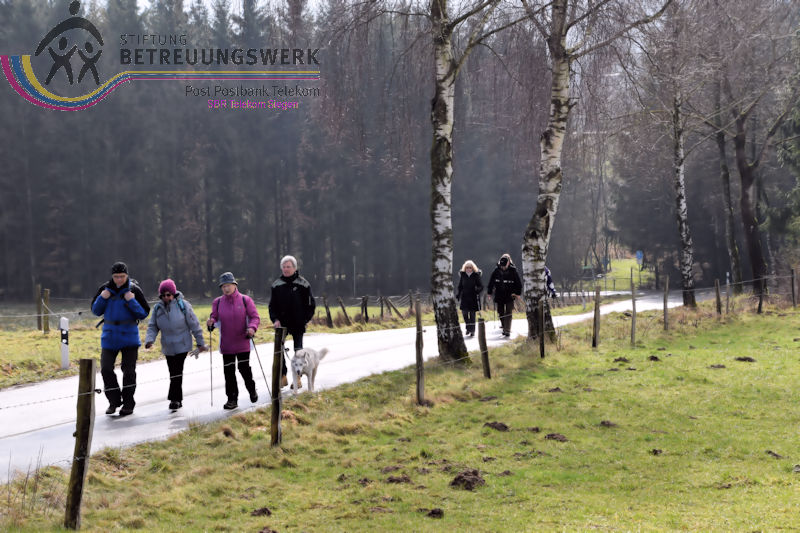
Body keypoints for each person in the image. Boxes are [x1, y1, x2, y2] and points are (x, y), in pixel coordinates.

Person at [91, 262, 150, 416]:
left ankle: (128, 404)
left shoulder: (134, 290)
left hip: (130, 338)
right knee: (106, 369)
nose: (119, 280)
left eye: (122, 276)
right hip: (109, 337)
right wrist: (102, 298)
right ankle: (114, 401)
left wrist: (132, 300)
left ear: (127, 275)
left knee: (129, 372)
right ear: (112, 276)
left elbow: (143, 313)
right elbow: (95, 310)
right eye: (116, 277)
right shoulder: (104, 289)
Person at [145, 279, 209, 411]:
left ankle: (174, 400)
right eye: (163, 295)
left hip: (182, 344)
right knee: (173, 372)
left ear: (173, 294)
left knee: (176, 371)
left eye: (168, 294)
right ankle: (177, 399)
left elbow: (194, 325)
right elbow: (152, 326)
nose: (166, 297)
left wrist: (200, 343)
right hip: (167, 346)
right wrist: (149, 340)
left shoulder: (183, 305)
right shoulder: (157, 308)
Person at [206, 272, 260, 410]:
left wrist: (252, 328)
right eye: (223, 286)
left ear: (235, 285)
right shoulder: (217, 302)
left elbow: (255, 317)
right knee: (229, 373)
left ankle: (252, 389)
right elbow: (214, 317)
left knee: (244, 369)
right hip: (227, 344)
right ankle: (232, 399)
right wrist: (211, 322)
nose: (226, 288)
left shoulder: (245, 300)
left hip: (243, 341)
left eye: (228, 285)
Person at [268, 255, 316, 388]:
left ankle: (298, 378)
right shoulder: (276, 285)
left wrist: (305, 319)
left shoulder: (304, 284)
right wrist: (275, 319)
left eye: (288, 267)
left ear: (295, 268)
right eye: (284, 267)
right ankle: (282, 377)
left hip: (298, 323)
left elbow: (311, 305)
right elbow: (272, 306)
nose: (286, 269)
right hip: (281, 323)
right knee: (279, 350)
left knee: (298, 351)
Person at [486, 253, 522, 337]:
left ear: (508, 262)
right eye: (502, 266)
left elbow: (518, 283)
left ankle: (507, 330)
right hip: (499, 294)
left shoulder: (513, 271)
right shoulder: (496, 271)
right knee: (500, 312)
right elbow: (491, 282)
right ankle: (504, 326)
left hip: (510, 295)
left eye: (504, 266)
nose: (503, 267)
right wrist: (489, 292)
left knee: (508, 312)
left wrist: (517, 293)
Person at [456, 260, 483, 337]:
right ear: (465, 268)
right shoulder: (463, 275)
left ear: (472, 268)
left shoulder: (476, 275)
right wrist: (458, 294)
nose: (468, 269)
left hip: (473, 297)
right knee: (464, 313)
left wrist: (477, 290)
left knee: (472, 315)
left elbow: (481, 286)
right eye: (467, 267)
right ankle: (468, 328)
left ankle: (472, 330)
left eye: (470, 267)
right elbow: (460, 286)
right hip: (464, 297)